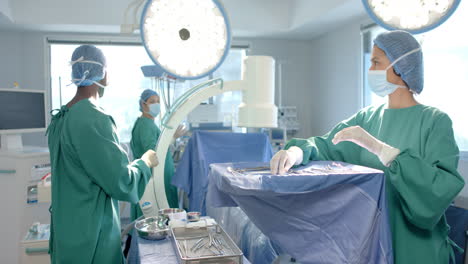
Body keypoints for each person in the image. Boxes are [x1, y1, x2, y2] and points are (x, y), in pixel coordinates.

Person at [270, 30, 465, 264]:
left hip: (417, 250)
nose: (370, 69)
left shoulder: (434, 121)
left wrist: (381, 149)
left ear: (399, 67)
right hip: (371, 246)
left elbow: (439, 189)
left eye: (376, 62)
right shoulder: (367, 119)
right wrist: (295, 152)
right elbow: (325, 145)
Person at [46, 45, 159, 264]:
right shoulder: (93, 118)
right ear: (104, 74)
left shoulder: (60, 117)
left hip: (66, 231)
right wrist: (144, 164)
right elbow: (122, 182)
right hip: (91, 237)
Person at [129, 89, 187, 220]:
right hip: (154, 178)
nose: (156, 105)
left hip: (157, 177)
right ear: (143, 104)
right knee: (153, 218)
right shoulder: (145, 125)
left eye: (158, 101)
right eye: (152, 102)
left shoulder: (147, 123)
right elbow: (153, 153)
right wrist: (173, 137)